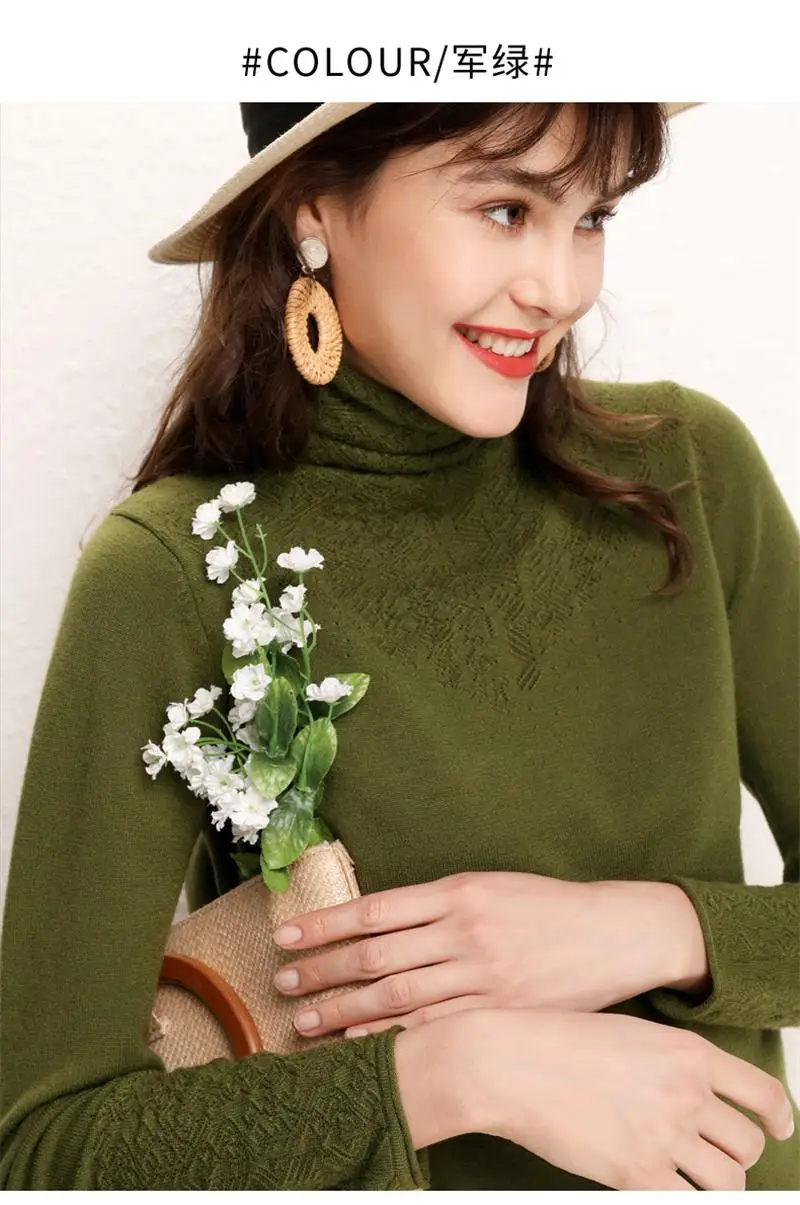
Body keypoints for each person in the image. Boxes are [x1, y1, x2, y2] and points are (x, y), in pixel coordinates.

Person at [1, 102, 797, 1191]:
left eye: (592, 216)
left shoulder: (687, 474)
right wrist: (458, 1071)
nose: (560, 287)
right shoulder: (176, 569)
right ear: (312, 208)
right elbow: (45, 1147)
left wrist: (659, 929)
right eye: (505, 208)